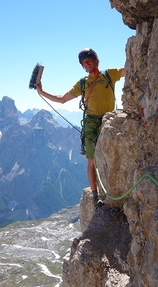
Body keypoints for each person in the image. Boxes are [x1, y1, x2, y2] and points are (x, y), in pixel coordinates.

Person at [35, 48, 125, 208]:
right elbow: (62, 99)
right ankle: (95, 196)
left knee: (111, 155)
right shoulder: (82, 83)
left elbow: (128, 71)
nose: (86, 64)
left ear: (96, 60)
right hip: (91, 123)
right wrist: (41, 91)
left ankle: (113, 188)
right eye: (83, 63)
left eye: (88, 60)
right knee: (91, 160)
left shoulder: (110, 74)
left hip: (109, 120)